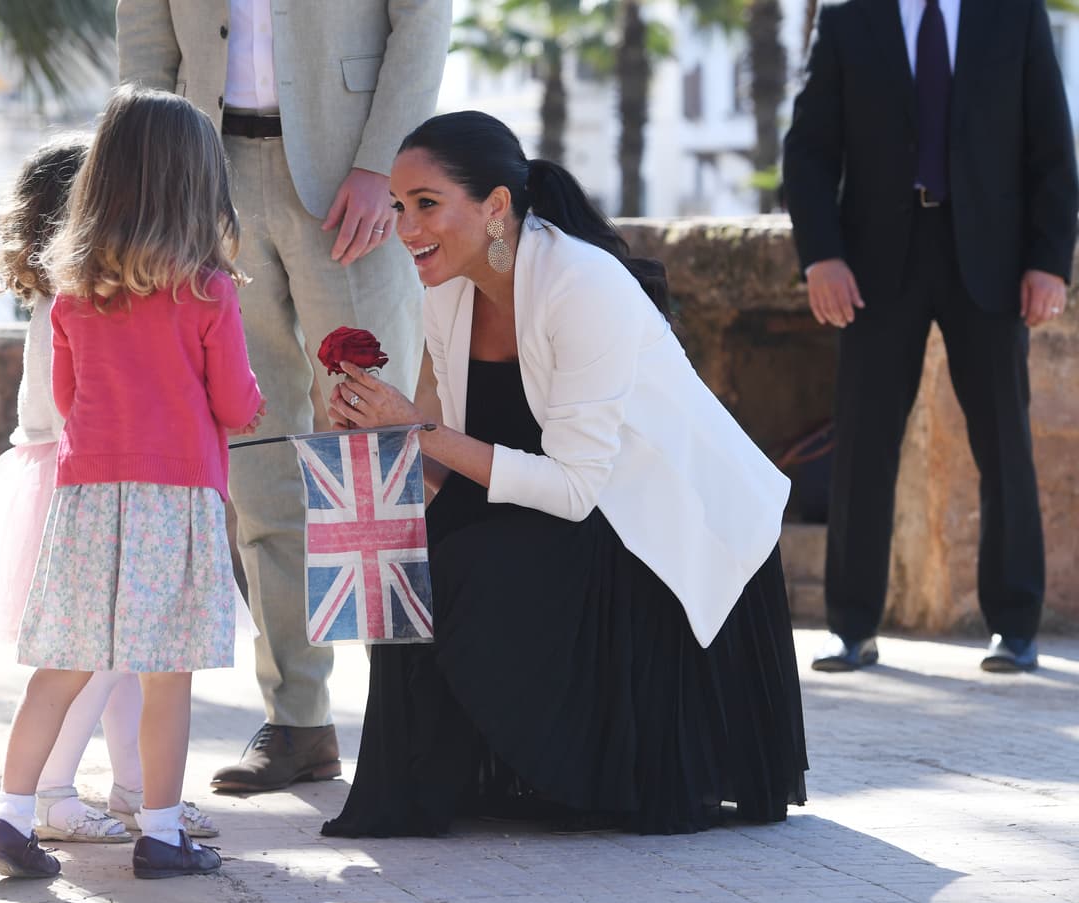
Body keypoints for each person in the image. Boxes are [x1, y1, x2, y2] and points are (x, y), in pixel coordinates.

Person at [318, 111, 808, 837]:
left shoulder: (581, 284)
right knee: (409, 556)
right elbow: (442, 461)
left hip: (645, 526)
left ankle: (555, 768)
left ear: (495, 206)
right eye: (398, 206)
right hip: (543, 504)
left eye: (425, 204)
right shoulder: (446, 291)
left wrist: (414, 427)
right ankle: (422, 786)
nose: (405, 227)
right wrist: (377, 435)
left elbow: (576, 489)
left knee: (468, 562)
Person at [115, 0, 451, 795]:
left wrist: (384, 165)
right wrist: (155, 180)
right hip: (208, 182)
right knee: (258, 459)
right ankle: (298, 721)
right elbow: (144, 37)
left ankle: (407, 722)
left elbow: (424, 18)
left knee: (372, 464)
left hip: (353, 184)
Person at [0, 86, 264, 880]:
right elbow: (235, 401)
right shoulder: (207, 291)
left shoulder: (71, 295)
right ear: (197, 187)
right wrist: (250, 406)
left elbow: (69, 403)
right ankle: (162, 835)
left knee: (58, 669)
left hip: (88, 500)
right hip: (176, 501)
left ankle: (10, 817)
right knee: (167, 678)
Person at [782, 0, 1077, 673]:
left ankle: (1015, 627)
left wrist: (1048, 261)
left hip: (992, 261)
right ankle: (851, 627)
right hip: (876, 264)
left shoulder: (1015, 15)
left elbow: (1052, 147)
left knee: (1004, 442)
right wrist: (821, 255)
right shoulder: (848, 18)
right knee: (863, 446)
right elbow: (809, 150)